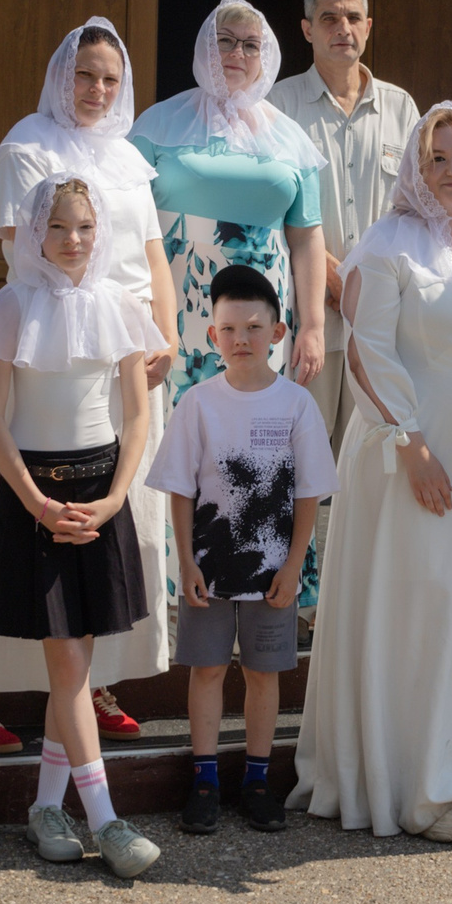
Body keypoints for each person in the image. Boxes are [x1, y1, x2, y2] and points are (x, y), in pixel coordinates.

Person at [290, 104, 452, 842]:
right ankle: (425, 785)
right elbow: (367, 351)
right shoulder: (386, 244)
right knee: (426, 602)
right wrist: (410, 444)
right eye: (437, 158)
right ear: (415, 166)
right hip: (410, 447)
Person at [0, 17, 174, 753]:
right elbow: (26, 256)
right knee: (18, 520)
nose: (97, 89)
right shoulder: (27, 147)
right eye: (85, 75)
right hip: (51, 346)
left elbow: (154, 256)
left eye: (110, 78)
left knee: (117, 526)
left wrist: (162, 336)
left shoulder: (130, 158)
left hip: (126, 349)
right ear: (59, 75)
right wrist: (94, 321)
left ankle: (89, 683)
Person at [0, 174, 167, 880]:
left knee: (74, 664)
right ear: (34, 232)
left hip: (99, 497)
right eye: (57, 227)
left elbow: (136, 417)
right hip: (37, 500)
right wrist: (35, 503)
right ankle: (105, 820)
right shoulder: (13, 303)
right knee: (70, 664)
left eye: (83, 226)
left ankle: (47, 806)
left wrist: (113, 501)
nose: (72, 240)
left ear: (99, 230)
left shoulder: (121, 304)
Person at [152, 265, 335, 837]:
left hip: (274, 572)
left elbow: (308, 493)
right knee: (206, 669)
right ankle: (204, 779)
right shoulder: (197, 403)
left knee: (263, 673)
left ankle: (258, 780)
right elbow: (180, 489)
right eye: (228, 328)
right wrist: (186, 561)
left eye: (254, 327)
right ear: (212, 335)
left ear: (278, 333)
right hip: (208, 569)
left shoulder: (296, 405)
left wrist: (294, 564)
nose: (241, 339)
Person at [267, 0, 417, 634]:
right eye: (329, 18)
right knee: (298, 464)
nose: (343, 29)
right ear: (306, 29)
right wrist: (336, 281)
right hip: (308, 319)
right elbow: (275, 211)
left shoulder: (402, 108)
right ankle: (295, 598)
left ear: (369, 25)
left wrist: (369, 289)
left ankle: (363, 597)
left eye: (353, 17)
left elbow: (416, 205)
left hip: (382, 325)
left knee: (375, 463)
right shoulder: (279, 105)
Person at [130, 0, 329, 407]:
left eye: (251, 45)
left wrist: (313, 326)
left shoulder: (291, 137)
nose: (238, 53)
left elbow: (307, 238)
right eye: (225, 41)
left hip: (262, 308)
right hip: (172, 302)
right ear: (206, 47)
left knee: (253, 423)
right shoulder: (157, 122)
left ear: (264, 57)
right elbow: (126, 221)